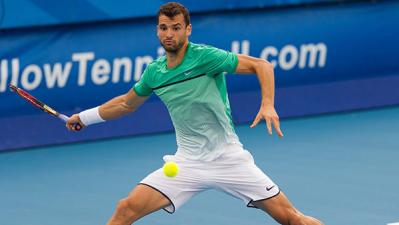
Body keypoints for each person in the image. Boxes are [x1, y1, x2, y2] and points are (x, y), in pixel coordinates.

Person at [67, 2, 323, 225]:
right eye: (163, 28)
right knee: (126, 209)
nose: (169, 34)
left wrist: (268, 103)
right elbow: (126, 104)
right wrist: (84, 118)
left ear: (187, 30)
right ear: (157, 30)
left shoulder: (205, 57)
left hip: (229, 160)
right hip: (187, 164)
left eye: (176, 27)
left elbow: (261, 65)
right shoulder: (154, 72)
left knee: (292, 219)